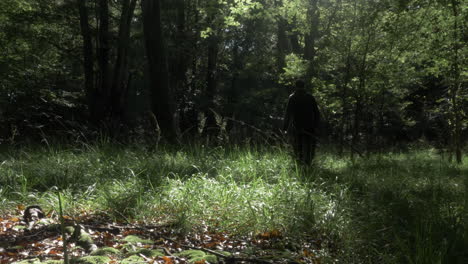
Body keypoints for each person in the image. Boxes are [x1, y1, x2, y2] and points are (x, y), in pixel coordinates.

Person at [283, 79, 321, 165]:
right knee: (309, 145)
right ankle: (309, 162)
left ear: (295, 86)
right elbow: (317, 113)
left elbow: (288, 113)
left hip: (297, 126)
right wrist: (316, 126)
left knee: (297, 145)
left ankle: (299, 162)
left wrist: (285, 128)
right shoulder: (310, 97)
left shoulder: (292, 97)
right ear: (304, 86)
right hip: (309, 125)